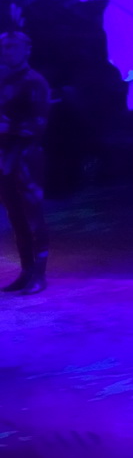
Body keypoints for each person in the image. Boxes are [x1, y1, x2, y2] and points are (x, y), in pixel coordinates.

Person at [0, 31, 51, 295]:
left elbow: (38, 125)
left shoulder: (35, 82)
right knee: (16, 218)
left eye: (11, 46)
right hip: (5, 159)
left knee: (33, 218)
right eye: (2, 47)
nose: (5, 51)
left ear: (26, 49)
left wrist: (6, 128)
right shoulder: (3, 80)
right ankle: (25, 272)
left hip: (27, 158)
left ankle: (39, 276)